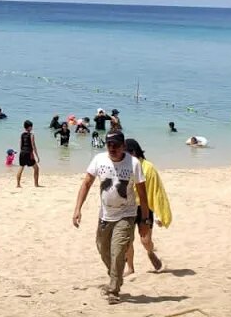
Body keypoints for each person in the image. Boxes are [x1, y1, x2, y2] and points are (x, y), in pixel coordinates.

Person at [72, 131, 148, 305]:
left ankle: (113, 289)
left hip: (126, 215)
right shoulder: (99, 160)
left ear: (123, 146)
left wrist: (144, 220)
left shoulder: (134, 163)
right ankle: (116, 276)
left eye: (116, 145)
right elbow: (86, 183)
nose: (112, 148)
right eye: (109, 145)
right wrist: (77, 208)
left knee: (118, 251)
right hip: (105, 215)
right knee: (102, 248)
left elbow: (142, 194)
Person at [124, 138, 170, 274]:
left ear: (133, 152)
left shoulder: (148, 167)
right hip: (127, 208)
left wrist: (160, 214)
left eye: (126, 153)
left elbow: (157, 190)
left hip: (144, 207)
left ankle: (150, 252)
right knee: (127, 240)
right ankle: (130, 268)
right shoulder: (123, 166)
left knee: (145, 240)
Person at [16, 120, 40, 188]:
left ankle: (18, 184)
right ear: (29, 127)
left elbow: (20, 145)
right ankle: (36, 184)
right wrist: (37, 155)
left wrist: (22, 152)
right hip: (28, 153)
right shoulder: (31, 135)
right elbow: (33, 145)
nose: (32, 128)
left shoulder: (22, 134)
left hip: (22, 152)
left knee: (21, 167)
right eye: (31, 127)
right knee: (36, 168)